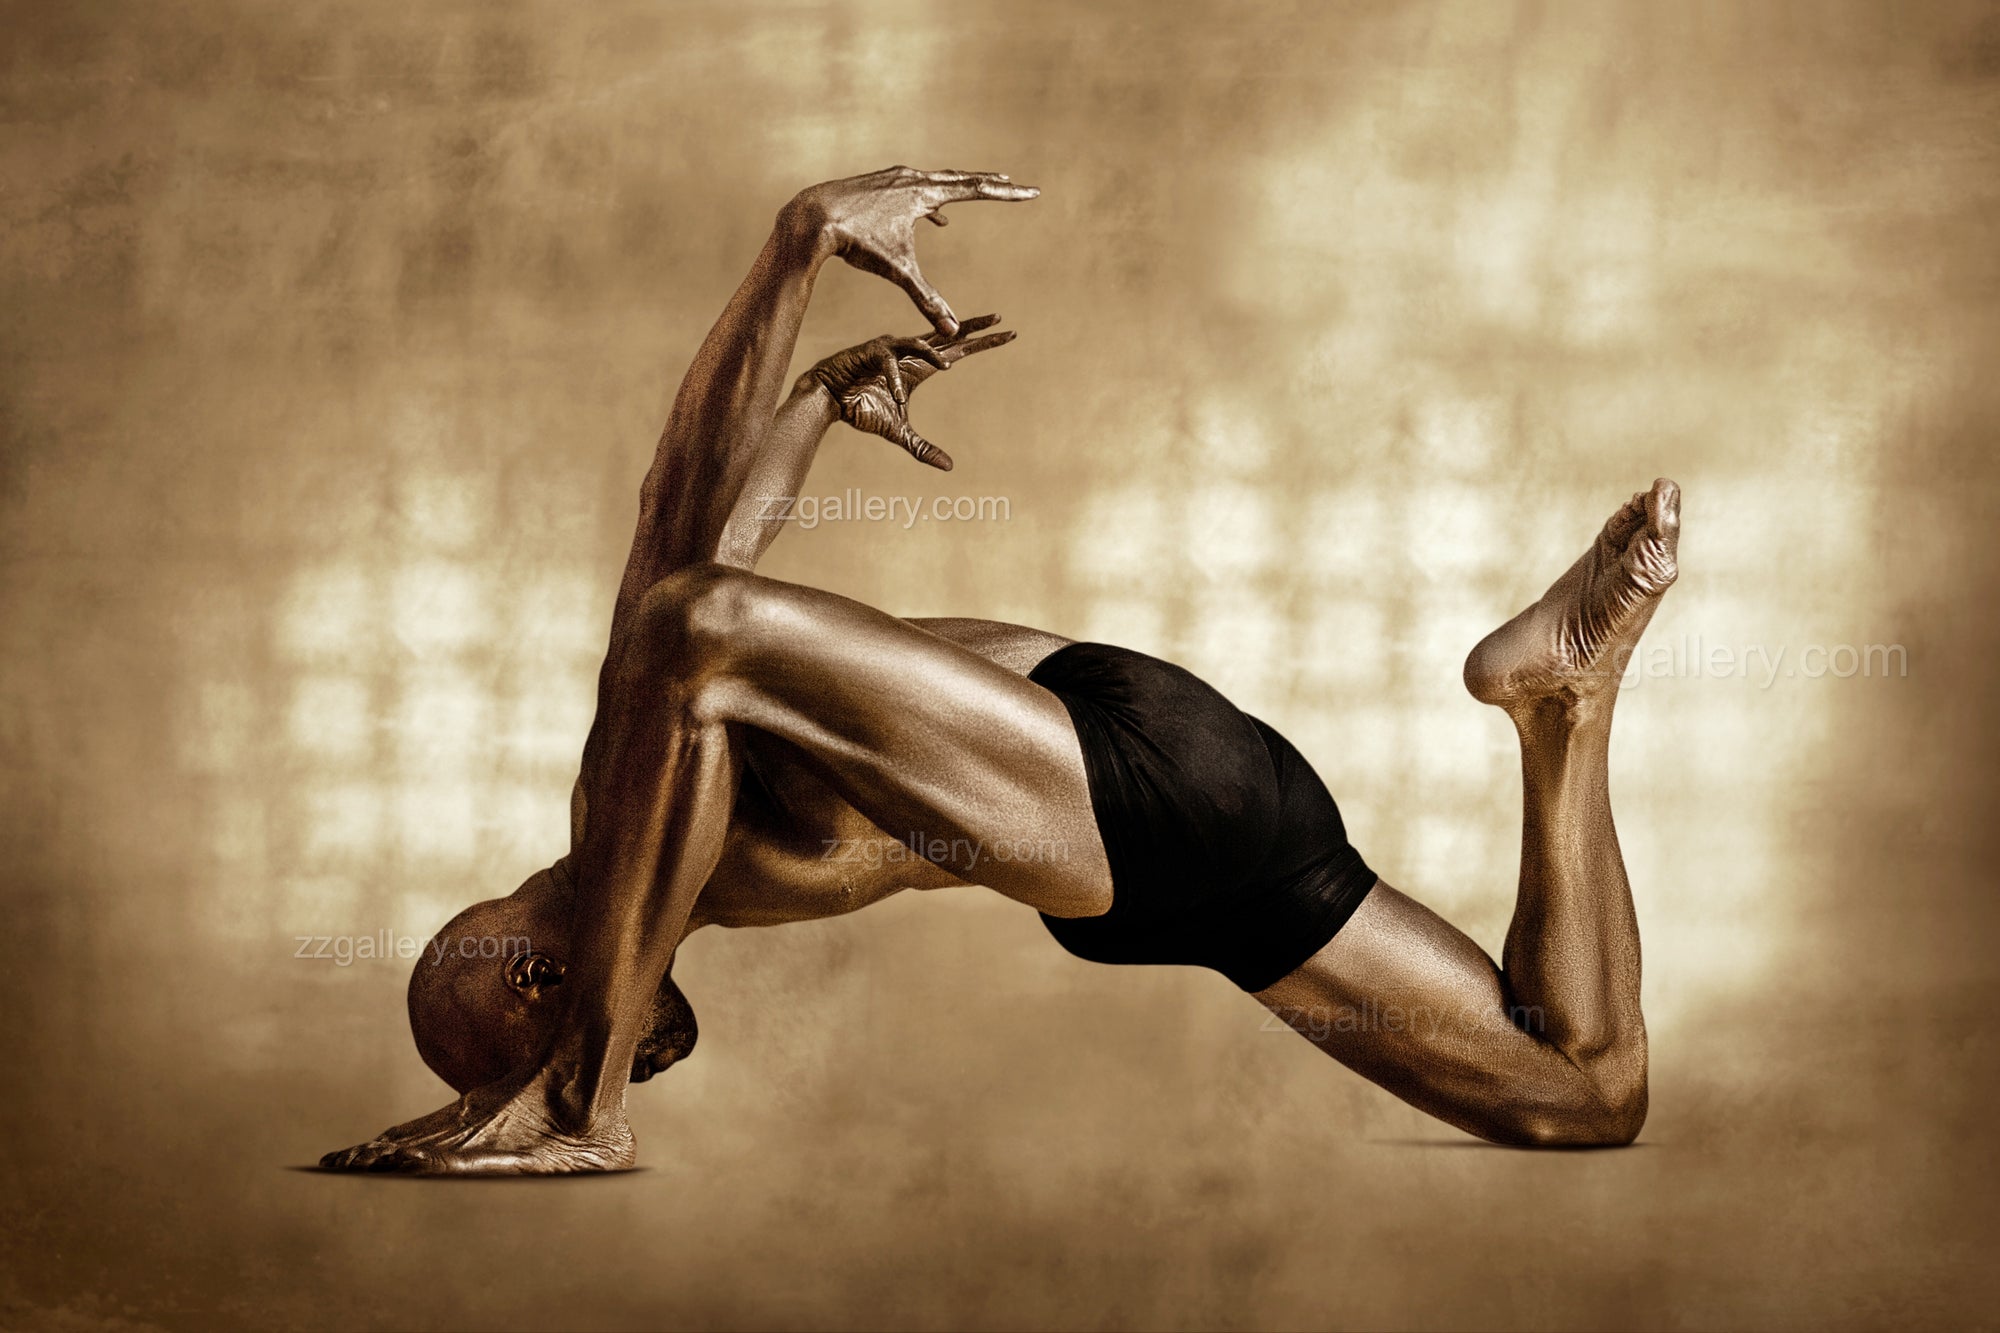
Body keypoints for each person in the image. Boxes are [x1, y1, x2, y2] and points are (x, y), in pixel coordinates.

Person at [320, 166, 1678, 1174]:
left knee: (689, 623)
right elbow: (690, 557)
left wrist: (798, 247)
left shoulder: (631, 804)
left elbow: (681, 550)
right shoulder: (668, 825)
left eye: (492, 998)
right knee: (1582, 1090)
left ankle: (580, 1111)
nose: (523, 964)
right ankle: (1563, 707)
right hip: (1180, 852)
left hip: (1124, 783)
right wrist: (814, 396)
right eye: (493, 1045)